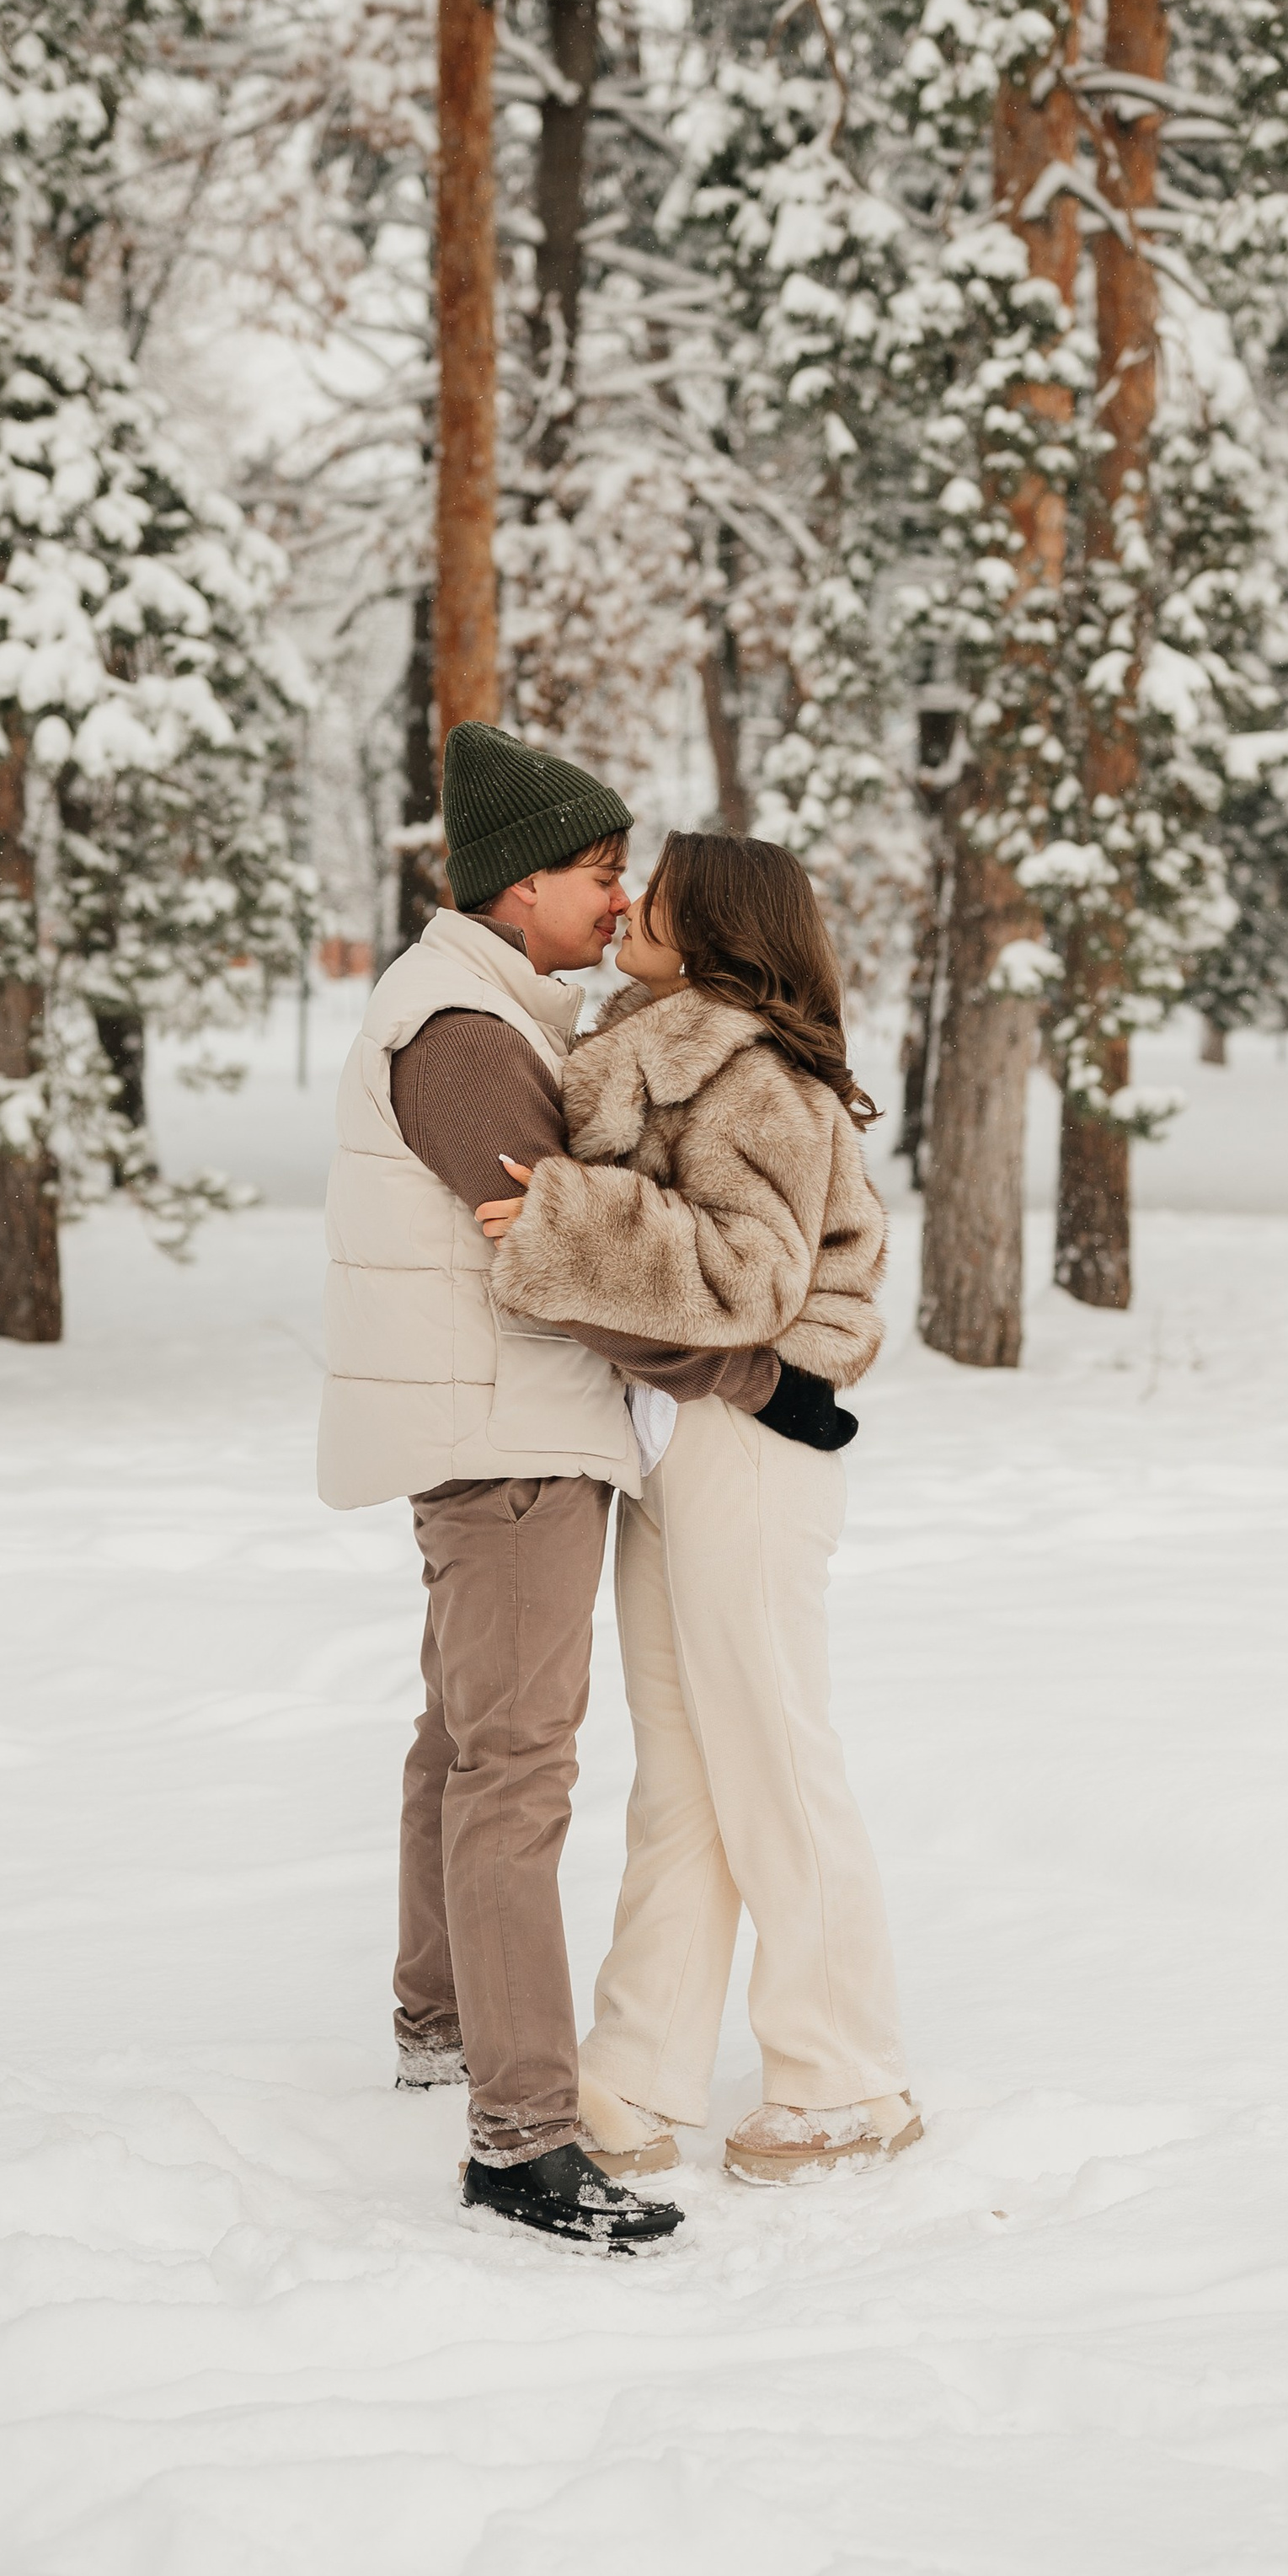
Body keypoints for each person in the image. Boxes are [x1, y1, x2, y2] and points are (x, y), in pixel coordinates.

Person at [318, 731, 841, 2252]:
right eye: (601, 873)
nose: (620, 899)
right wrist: (755, 1379)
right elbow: (569, 1264)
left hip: (501, 1428)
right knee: (515, 1773)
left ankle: (441, 2026)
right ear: (518, 886)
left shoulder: (488, 1011)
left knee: (461, 1745)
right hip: (510, 1443)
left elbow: (574, 1237)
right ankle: (524, 2138)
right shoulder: (467, 1038)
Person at [477, 830, 921, 2187]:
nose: (627, 907)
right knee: (681, 1775)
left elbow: (748, 1278)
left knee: (773, 1756)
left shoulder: (749, 1075)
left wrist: (568, 1224)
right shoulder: (665, 1050)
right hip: (679, 1438)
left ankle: (847, 2081)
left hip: (753, 1442)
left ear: (716, 927)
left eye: (656, 896)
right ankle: (638, 2073)